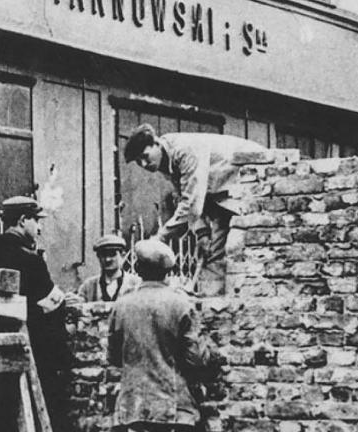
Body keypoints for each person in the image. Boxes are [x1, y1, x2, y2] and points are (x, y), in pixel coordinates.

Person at [124, 123, 267, 295]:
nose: (144, 164)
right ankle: (212, 304)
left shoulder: (185, 150)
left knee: (239, 248)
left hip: (254, 179)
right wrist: (202, 233)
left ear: (156, 143)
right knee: (212, 254)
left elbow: (192, 204)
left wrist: (161, 237)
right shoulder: (165, 160)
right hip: (224, 194)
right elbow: (188, 195)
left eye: (145, 156)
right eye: (139, 162)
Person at [0, 196, 71, 432]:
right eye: (37, 220)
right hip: (32, 354)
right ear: (22, 220)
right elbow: (53, 308)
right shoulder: (32, 261)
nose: (40, 227)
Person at [108, 239, 210, 432]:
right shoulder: (180, 304)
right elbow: (196, 359)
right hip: (173, 410)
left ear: (137, 268)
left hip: (131, 409)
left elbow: (113, 358)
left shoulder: (120, 306)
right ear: (168, 272)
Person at [75, 234, 141, 302]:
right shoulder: (88, 286)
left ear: (122, 255)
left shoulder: (135, 283)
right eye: (103, 255)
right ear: (98, 257)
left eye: (112, 254)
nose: (107, 259)